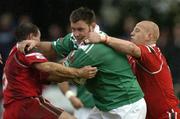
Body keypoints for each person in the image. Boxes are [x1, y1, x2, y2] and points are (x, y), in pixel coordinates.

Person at [18, 7, 147, 119]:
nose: (76, 34)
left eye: (80, 29)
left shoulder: (92, 48)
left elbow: (59, 73)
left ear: (92, 26)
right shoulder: (76, 38)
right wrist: (35, 44)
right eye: (73, 29)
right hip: (106, 106)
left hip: (127, 106)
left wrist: (26, 75)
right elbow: (52, 48)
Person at [86, 20, 180, 119]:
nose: (131, 33)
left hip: (166, 115)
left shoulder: (153, 53)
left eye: (137, 30)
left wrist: (103, 38)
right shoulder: (133, 57)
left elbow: (131, 48)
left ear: (149, 36)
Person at [2, 22, 97, 119]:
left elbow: (49, 76)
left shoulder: (13, 55)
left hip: (11, 110)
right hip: (26, 104)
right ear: (31, 36)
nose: (38, 44)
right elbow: (47, 67)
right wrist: (78, 72)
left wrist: (72, 74)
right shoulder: (26, 48)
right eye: (38, 39)